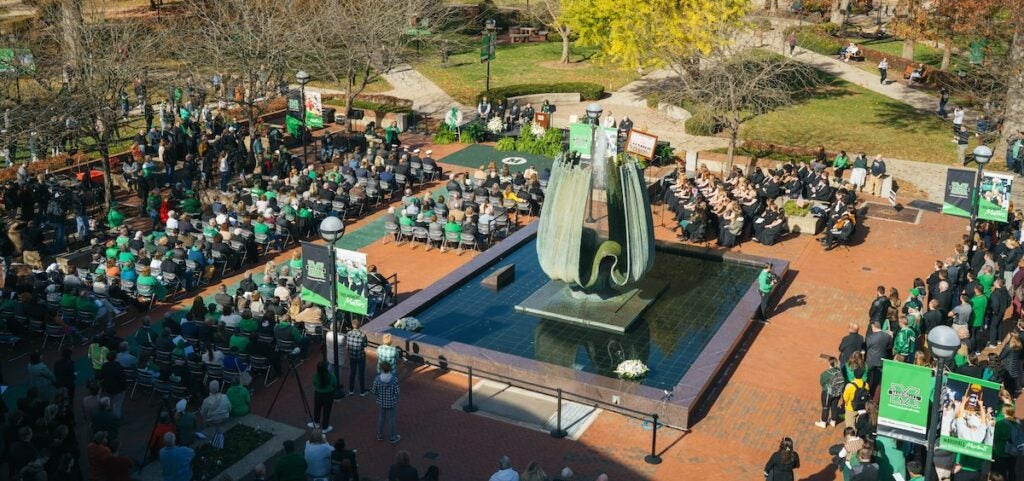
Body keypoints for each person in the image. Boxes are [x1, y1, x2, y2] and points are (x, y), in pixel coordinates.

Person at [372, 361, 401, 444]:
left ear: (381, 368)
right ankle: (392, 437)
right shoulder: (394, 379)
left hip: (381, 402)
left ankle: (380, 435)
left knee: (381, 418)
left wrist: (379, 395)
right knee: (391, 419)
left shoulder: (377, 379)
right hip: (391, 402)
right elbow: (397, 392)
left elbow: (374, 391)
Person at [816, 357, 844, 428]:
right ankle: (833, 421)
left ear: (829, 363)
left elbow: (822, 382)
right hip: (837, 392)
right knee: (834, 407)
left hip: (828, 393)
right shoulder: (839, 371)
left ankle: (823, 422)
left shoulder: (827, 373)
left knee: (825, 407)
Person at [310, 361, 337, 433]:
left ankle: (316, 423)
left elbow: (314, 383)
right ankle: (325, 427)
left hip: (318, 394)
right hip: (328, 395)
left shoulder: (316, 376)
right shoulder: (331, 376)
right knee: (326, 411)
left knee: (317, 408)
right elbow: (334, 383)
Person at [347, 318, 368, 395]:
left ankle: (351, 390)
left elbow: (348, 343)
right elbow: (365, 345)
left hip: (352, 356)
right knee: (361, 373)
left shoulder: (348, 333)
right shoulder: (362, 335)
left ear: (352, 325)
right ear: (359, 325)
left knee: (352, 373)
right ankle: (362, 391)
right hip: (360, 356)